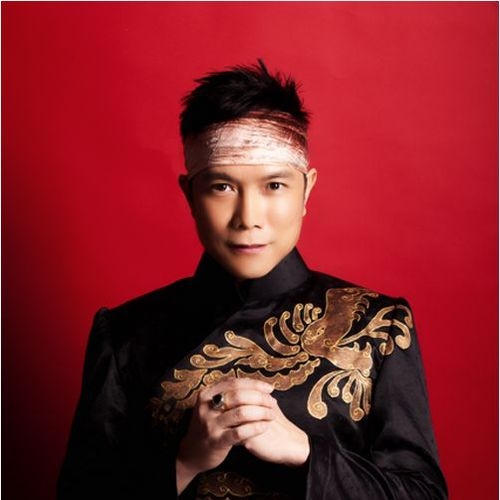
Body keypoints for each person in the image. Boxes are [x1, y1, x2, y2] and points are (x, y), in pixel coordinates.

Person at [57, 60, 448, 499]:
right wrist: (187, 461)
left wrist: (306, 452)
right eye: (222, 187)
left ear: (307, 190)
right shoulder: (126, 333)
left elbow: (423, 494)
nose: (248, 218)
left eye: (274, 186)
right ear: (190, 195)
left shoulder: (377, 324)